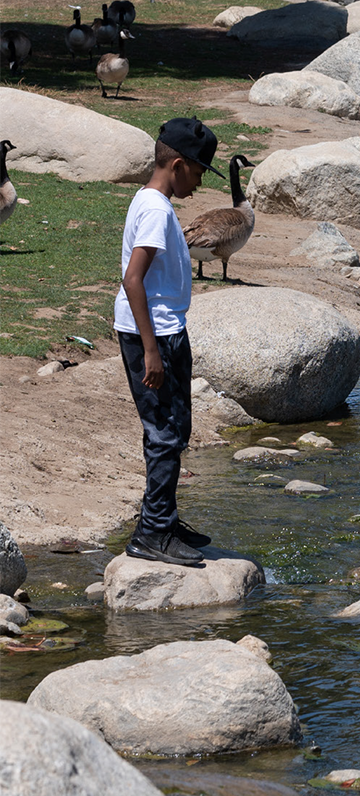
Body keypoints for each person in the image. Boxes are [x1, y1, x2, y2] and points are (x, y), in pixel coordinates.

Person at [115, 117, 224, 565]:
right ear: (177, 165)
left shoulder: (151, 200)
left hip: (162, 329)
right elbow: (133, 279)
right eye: (197, 173)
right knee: (165, 434)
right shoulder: (158, 211)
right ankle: (152, 535)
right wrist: (153, 351)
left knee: (173, 430)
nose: (198, 184)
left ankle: (162, 518)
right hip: (153, 334)